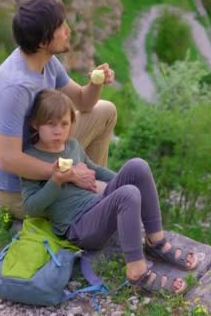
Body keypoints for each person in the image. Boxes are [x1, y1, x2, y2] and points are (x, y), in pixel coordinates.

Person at [21, 90, 199, 295]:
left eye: (64, 124)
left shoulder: (71, 145)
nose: (58, 131)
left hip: (97, 206)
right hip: (78, 227)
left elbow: (94, 170)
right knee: (128, 194)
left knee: (137, 167)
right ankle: (137, 272)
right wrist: (55, 181)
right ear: (35, 124)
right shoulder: (31, 158)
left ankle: (155, 241)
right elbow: (31, 206)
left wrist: (124, 181)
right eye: (50, 124)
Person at [0, 0, 117, 219]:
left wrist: (96, 83)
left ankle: (90, 183)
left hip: (49, 147)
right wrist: (69, 173)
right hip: (23, 188)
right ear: (43, 42)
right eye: (61, 26)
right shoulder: (15, 88)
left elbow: (83, 101)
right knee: (108, 204)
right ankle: (88, 201)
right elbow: (8, 159)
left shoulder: (45, 61)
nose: (69, 30)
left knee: (105, 111)